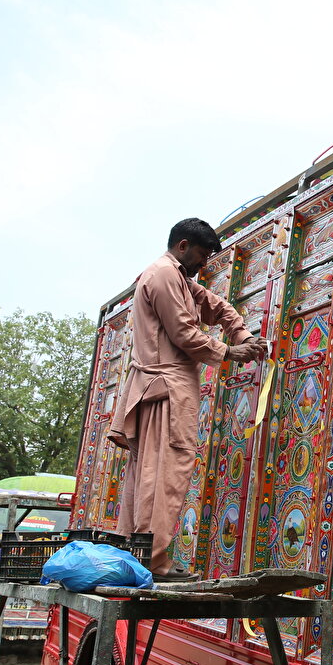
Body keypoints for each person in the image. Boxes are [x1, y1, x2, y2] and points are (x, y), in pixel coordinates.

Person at [109, 218, 267, 581]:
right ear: (183, 246)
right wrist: (230, 351)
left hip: (167, 388)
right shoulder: (164, 275)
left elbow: (218, 306)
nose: (204, 264)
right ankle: (154, 561)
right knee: (164, 473)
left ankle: (142, 557)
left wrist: (242, 334)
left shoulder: (179, 277)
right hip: (166, 388)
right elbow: (183, 332)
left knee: (154, 472)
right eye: (202, 254)